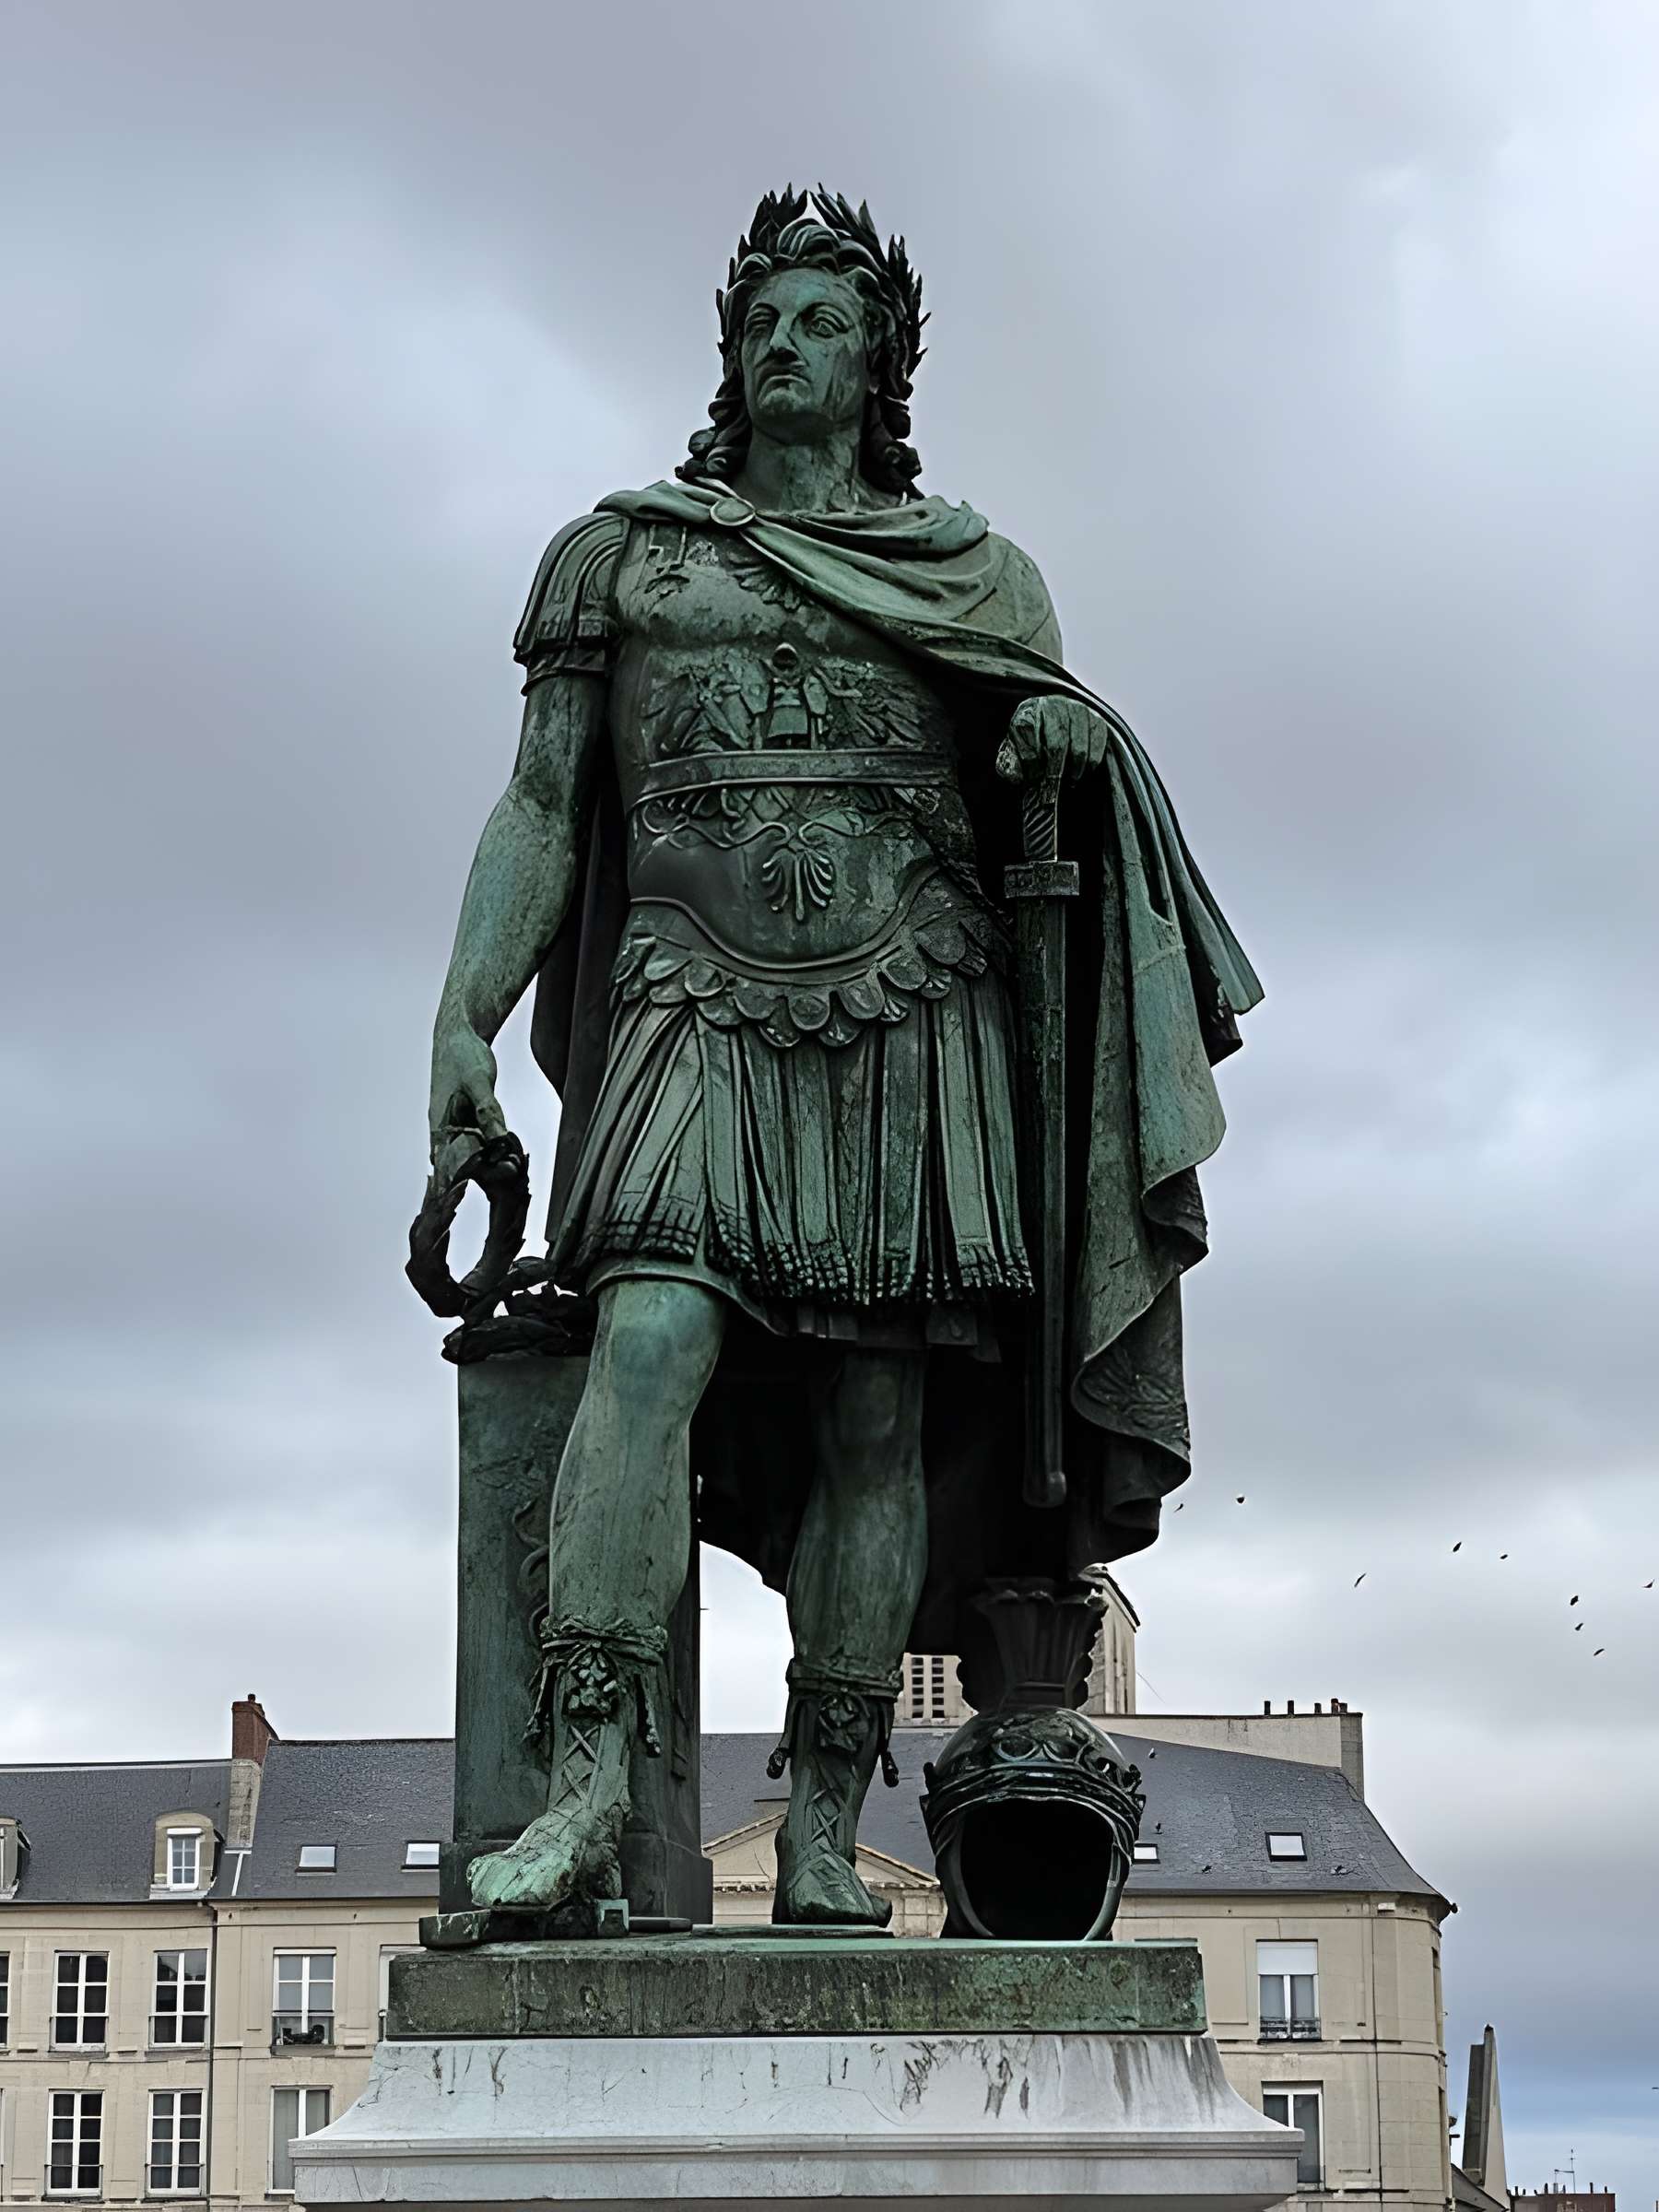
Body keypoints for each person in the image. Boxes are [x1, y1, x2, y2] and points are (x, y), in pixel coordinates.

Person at [426, 189, 1259, 1922]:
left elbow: (1061, 769)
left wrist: (1053, 732)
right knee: (643, 1344)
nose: (787, 345)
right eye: (765, 322)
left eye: (824, 320)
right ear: (731, 354)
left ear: (881, 360)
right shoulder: (624, 555)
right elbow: (538, 804)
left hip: (910, 995)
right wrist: (462, 1022)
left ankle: (819, 1822)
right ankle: (588, 1784)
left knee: (879, 1412)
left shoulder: (976, 570)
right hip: (682, 989)